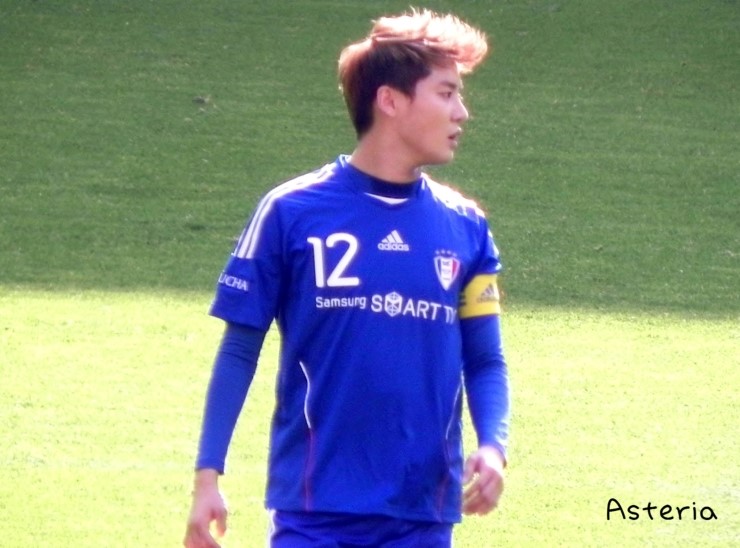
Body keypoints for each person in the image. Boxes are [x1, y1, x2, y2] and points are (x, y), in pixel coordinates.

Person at [184, 8, 510, 548]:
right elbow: (239, 349)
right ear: (390, 101)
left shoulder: (466, 227)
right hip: (315, 512)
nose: (462, 112)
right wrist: (207, 476)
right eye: (447, 93)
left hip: (422, 514)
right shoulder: (291, 211)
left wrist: (494, 447)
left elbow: (485, 359)